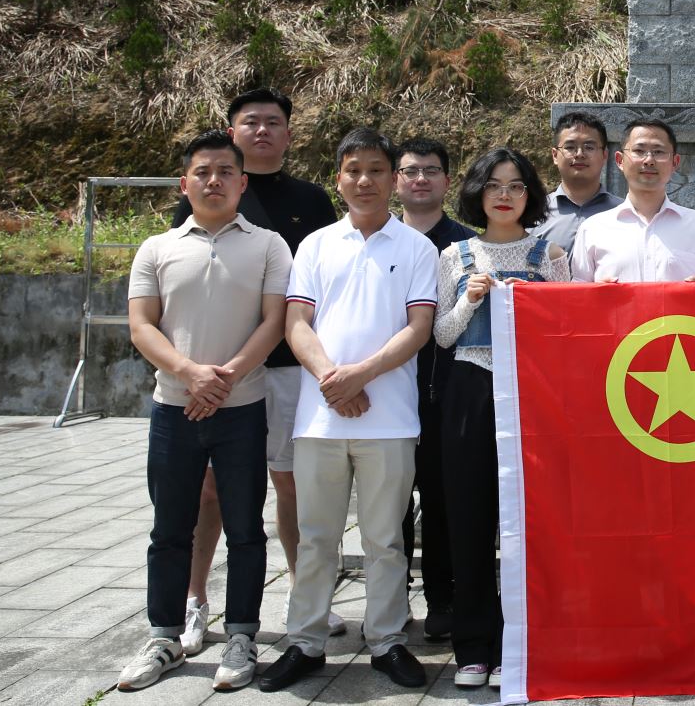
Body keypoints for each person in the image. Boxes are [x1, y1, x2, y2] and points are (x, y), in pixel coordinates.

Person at [260, 129, 438, 693]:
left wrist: (360, 375)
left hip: (391, 419)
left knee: (386, 539)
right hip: (319, 418)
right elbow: (296, 323)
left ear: (393, 179)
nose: (365, 180)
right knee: (316, 536)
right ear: (338, 179)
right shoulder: (314, 245)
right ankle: (306, 639)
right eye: (354, 170)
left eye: (377, 170)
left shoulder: (417, 248)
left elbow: (418, 328)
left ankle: (386, 640)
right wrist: (332, 381)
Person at [119, 130, 290, 692]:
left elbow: (274, 321)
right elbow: (142, 325)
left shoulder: (269, 246)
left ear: (243, 183)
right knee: (170, 528)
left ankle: (241, 636)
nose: (214, 181)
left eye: (225, 172)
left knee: (245, 529)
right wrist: (191, 374)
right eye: (202, 172)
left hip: (244, 408)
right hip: (174, 409)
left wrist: (226, 376)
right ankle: (164, 636)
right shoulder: (156, 248)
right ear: (184, 183)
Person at [170, 87, 340, 651]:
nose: (262, 130)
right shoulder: (204, 196)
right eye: (250, 122)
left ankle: (302, 595)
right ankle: (194, 600)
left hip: (289, 367)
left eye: (273, 122)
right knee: (209, 490)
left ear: (289, 134)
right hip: (217, 372)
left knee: (291, 482)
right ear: (232, 132)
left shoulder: (312, 200)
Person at [433, 148, 570, 689]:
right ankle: (473, 647)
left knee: (529, 522)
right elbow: (444, 335)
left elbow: (566, 332)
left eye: (515, 185)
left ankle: (526, 644)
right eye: (493, 185)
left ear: (530, 194)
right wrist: (469, 301)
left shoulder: (550, 254)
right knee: (470, 519)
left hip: (533, 395)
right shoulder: (455, 255)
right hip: (470, 390)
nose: (505, 195)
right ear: (477, 192)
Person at [394, 136, 476, 642]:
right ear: (396, 180)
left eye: (430, 170)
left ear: (447, 179)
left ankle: (442, 598)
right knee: (391, 501)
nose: (420, 179)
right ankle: (392, 596)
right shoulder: (379, 238)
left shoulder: (467, 245)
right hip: (386, 390)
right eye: (410, 171)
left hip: (448, 394)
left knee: (444, 499)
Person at [572, 118, 695, 283]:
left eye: (658, 152)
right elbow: (578, 293)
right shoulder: (593, 229)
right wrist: (596, 293)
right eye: (639, 150)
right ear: (620, 160)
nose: (649, 160)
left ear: (675, 162)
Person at [534, 112, 621, 254]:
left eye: (589, 147)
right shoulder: (534, 213)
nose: (580, 154)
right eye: (570, 147)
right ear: (555, 155)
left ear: (605, 155)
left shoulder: (625, 214)